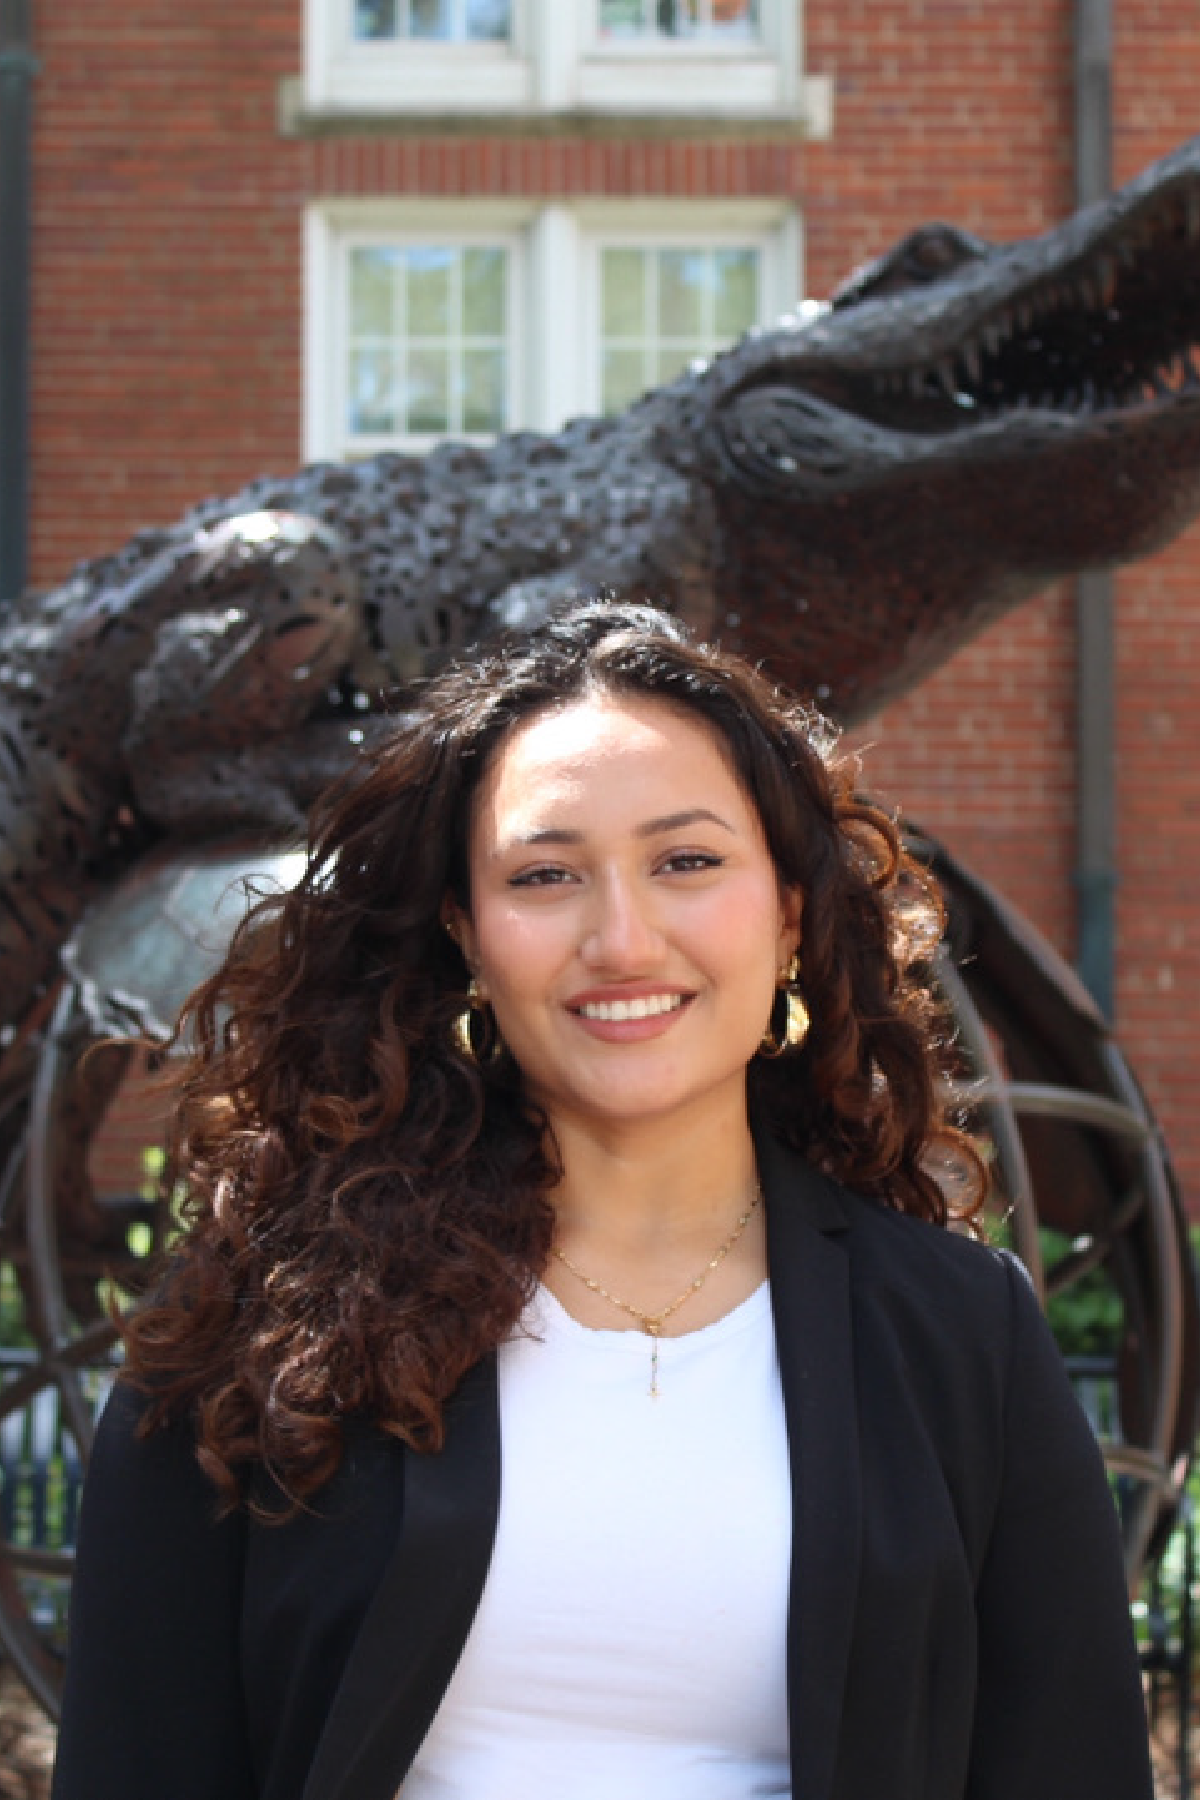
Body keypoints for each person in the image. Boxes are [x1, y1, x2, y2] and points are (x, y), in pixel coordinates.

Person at [52, 598, 1153, 1800]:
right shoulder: (265, 1329)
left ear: (788, 910)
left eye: (686, 862)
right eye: (545, 874)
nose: (622, 940)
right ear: (466, 935)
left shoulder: (961, 1335)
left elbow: (1069, 1765)